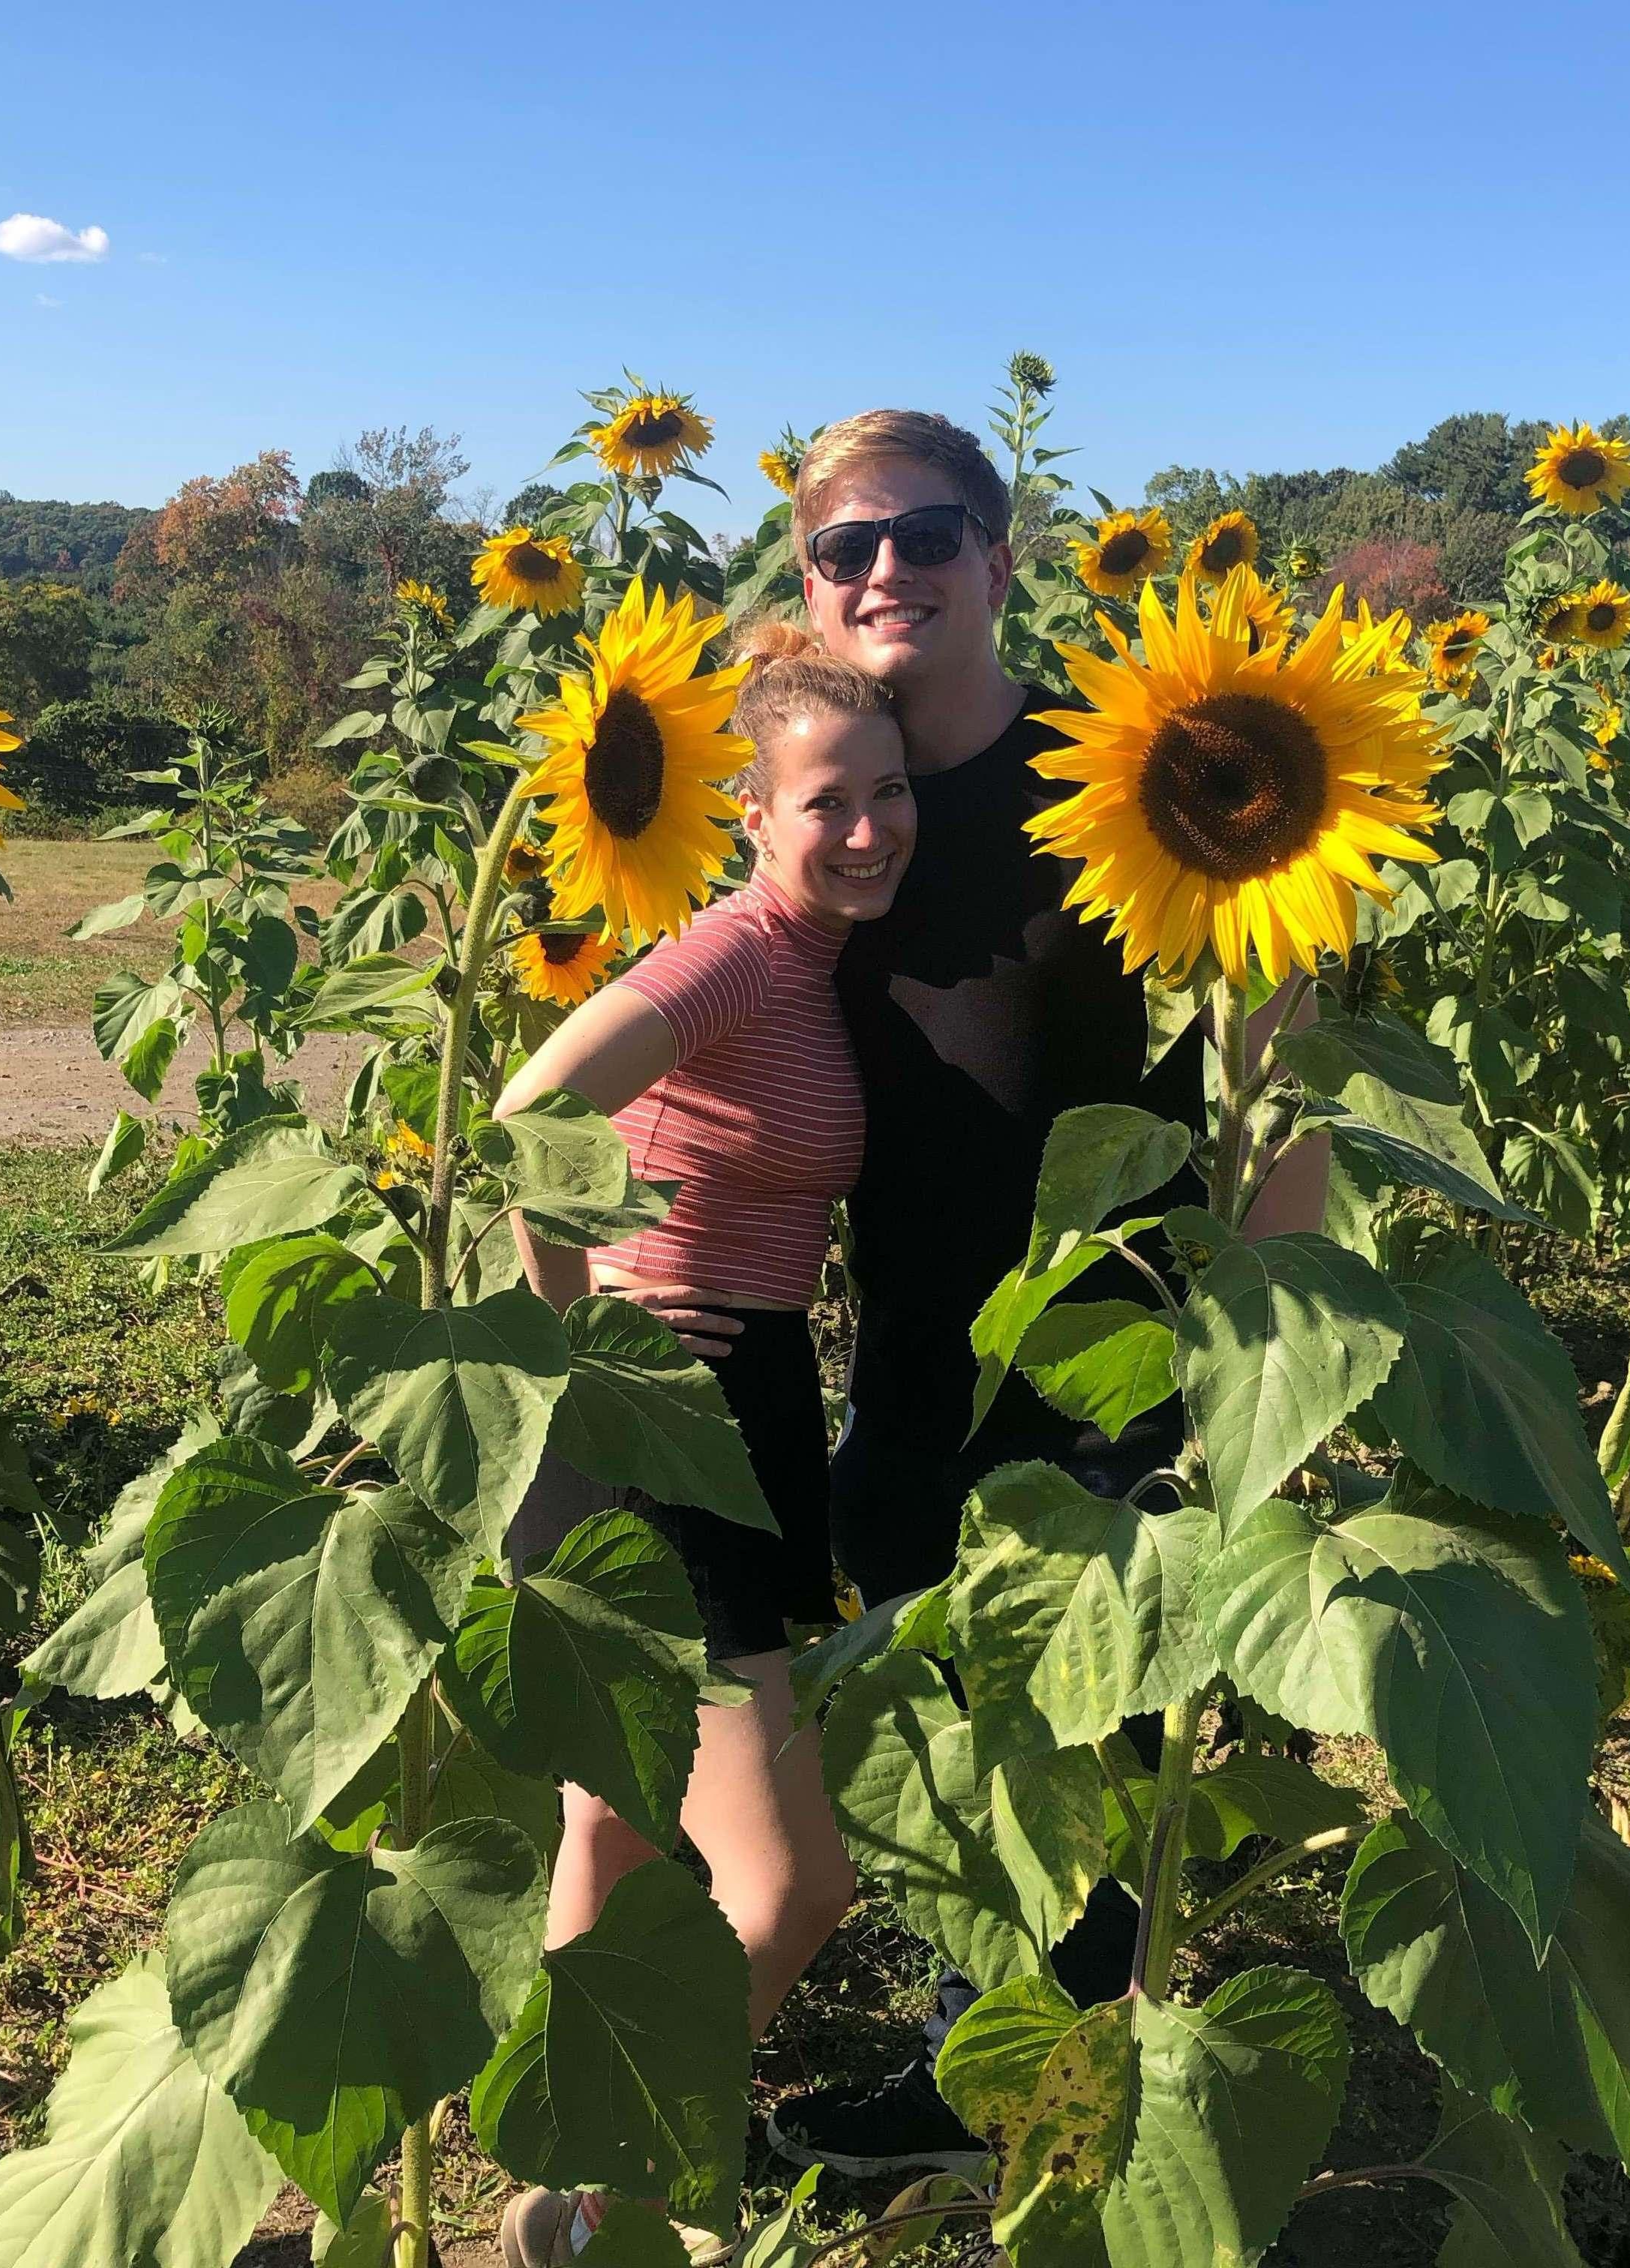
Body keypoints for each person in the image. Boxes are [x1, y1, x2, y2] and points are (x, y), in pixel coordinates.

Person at [760, 410, 1329, 2176]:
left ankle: (1054, 2122)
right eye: (845, 547)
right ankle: (996, 2081)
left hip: (1128, 1359)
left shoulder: (1137, 766)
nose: (885, 573)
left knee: (1095, 1746)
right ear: (808, 583)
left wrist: (1283, 1376)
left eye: (926, 536)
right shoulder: (833, 815)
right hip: (913, 1356)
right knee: (968, 1761)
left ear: (1001, 561)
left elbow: (1278, 1054)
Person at [495, 626, 915, 2267]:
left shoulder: (808, 960)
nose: (872, 827)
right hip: (669, 1404)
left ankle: (552, 2189)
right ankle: (627, 2180)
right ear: (752, 811)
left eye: (891, 793)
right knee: (798, 1879)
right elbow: (538, 1110)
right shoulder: (738, 953)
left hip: (730, 1405)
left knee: (611, 1821)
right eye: (831, 801)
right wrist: (575, 1334)